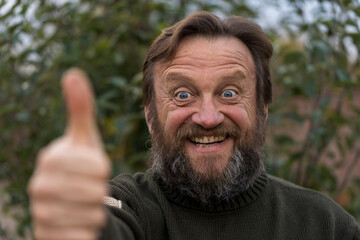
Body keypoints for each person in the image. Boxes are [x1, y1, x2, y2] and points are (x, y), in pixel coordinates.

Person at [28, 11, 359, 240]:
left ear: (262, 109)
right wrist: (74, 224)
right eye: (183, 95)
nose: (208, 116)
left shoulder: (326, 225)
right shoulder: (129, 208)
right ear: (151, 117)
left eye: (229, 93)